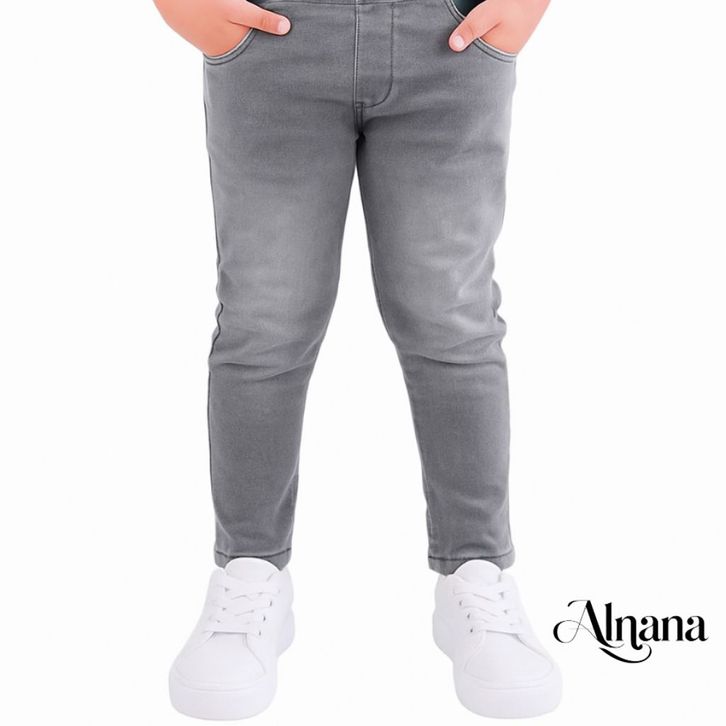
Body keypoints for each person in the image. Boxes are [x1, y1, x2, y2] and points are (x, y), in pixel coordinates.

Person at [153, 0, 561, 718]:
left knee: (452, 320)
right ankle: (250, 573)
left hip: (452, 39)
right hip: (272, 38)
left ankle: (474, 572)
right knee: (264, 323)